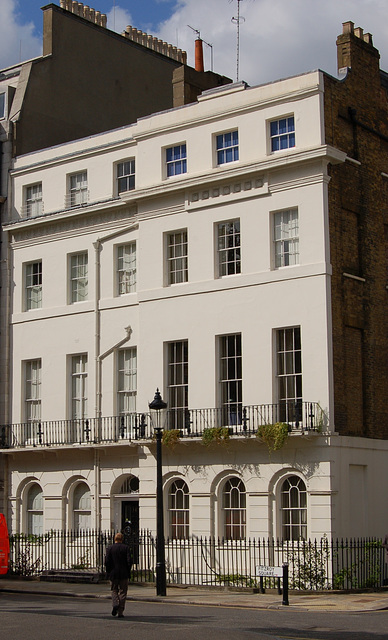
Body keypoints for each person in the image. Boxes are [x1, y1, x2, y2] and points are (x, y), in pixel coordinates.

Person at [105, 532, 132, 618]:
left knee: (114, 590)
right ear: (122, 539)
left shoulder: (110, 548)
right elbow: (129, 561)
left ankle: (115, 604)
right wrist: (128, 570)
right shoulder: (126, 548)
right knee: (123, 592)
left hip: (113, 573)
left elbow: (107, 561)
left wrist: (108, 571)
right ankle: (120, 612)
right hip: (124, 573)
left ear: (114, 539)